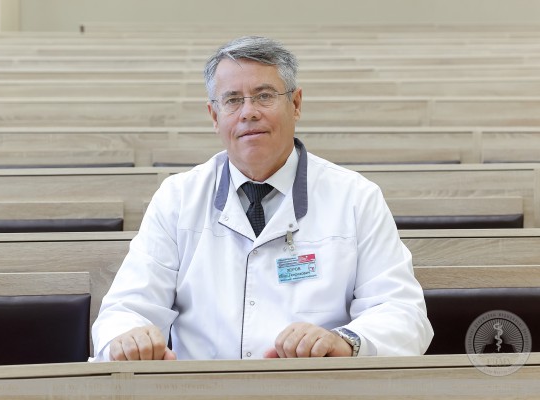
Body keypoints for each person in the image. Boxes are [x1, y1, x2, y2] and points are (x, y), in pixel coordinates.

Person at [90, 36, 433, 361]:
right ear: (214, 116)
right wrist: (129, 339)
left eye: (264, 96)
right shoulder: (177, 198)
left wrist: (345, 341)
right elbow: (127, 309)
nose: (248, 112)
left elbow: (402, 313)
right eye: (232, 100)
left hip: (317, 389)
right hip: (202, 390)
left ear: (295, 104)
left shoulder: (356, 197)